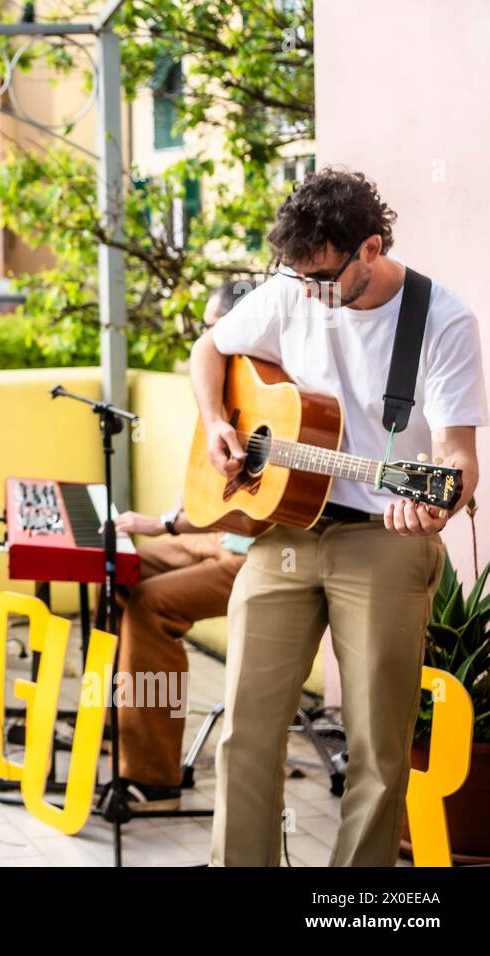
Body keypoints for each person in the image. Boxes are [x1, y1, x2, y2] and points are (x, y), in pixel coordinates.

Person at [191, 167, 486, 866]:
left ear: (372, 250)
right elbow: (211, 348)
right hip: (286, 525)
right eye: (298, 279)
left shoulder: (441, 321)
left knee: (378, 749)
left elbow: (456, 458)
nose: (311, 294)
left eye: (324, 277)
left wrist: (435, 504)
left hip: (383, 536)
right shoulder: (293, 291)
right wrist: (214, 424)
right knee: (247, 731)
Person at [111, 281, 255, 808]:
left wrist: (165, 523)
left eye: (213, 329)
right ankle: (125, 725)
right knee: (117, 570)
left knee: (151, 605)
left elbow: (242, 509)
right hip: (206, 539)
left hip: (252, 557)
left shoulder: (273, 394)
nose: (205, 342)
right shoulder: (222, 391)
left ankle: (154, 776)